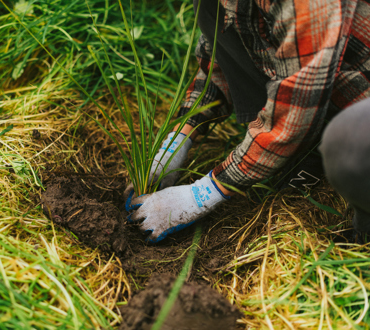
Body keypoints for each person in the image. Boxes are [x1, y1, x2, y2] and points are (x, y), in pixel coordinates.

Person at [125, 0, 370, 244]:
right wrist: (179, 138)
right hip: (319, 88)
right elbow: (222, 54)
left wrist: (203, 193)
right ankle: (311, 145)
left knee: (349, 144)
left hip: (359, 107)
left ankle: (364, 235)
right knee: (210, 9)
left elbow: (298, 104)